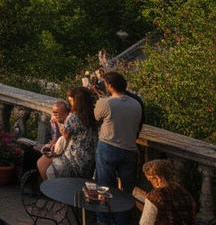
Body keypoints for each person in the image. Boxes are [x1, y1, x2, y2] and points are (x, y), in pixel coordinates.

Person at [94, 71, 144, 225]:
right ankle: (122, 220)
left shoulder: (105, 102)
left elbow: (97, 117)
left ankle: (103, 220)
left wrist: (100, 97)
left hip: (108, 147)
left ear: (109, 86)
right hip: (129, 149)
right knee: (127, 190)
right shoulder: (136, 104)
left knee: (104, 186)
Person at [41, 86, 97, 180]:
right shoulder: (93, 115)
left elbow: (65, 134)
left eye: (71, 101)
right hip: (89, 159)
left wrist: (57, 121)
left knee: (50, 171)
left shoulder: (73, 117)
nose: (70, 104)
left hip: (74, 159)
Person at [139, 159, 197, 225]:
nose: (152, 184)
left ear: (157, 178)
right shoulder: (185, 194)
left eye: (150, 180)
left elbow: (145, 223)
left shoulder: (154, 197)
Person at [23, 99, 68, 180]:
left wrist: (58, 123)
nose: (54, 114)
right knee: (28, 151)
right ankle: (29, 181)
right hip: (52, 147)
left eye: (57, 112)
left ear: (65, 112)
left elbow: (60, 140)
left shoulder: (66, 124)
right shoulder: (54, 122)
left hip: (58, 152)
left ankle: (39, 182)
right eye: (53, 111)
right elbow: (53, 139)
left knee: (35, 158)